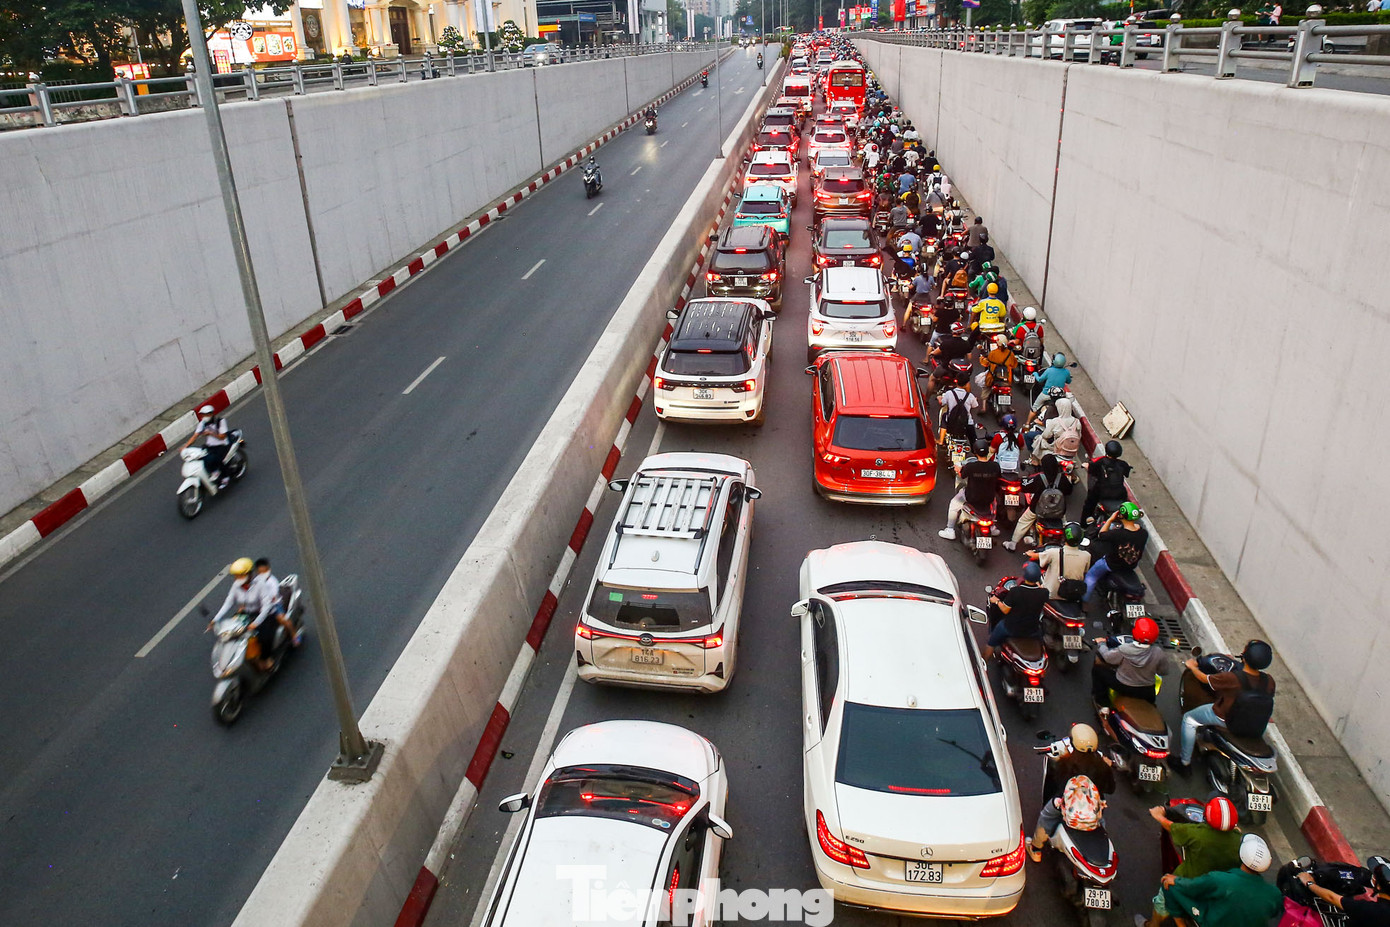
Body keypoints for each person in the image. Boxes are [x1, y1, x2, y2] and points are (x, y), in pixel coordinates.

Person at [1138, 796, 1243, 927]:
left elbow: (1172, 827)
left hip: (1190, 880)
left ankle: (1151, 925)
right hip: (1219, 887)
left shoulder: (1198, 834)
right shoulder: (1237, 838)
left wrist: (1158, 815)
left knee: (1163, 896)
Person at [1176, 639, 1277, 774]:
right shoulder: (1269, 680)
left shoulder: (1232, 678)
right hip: (1254, 724)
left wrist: (1192, 666)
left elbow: (1205, 679)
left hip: (1225, 719)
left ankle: (1184, 762)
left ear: (1244, 656)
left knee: (1189, 719)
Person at [1027, 723, 1115, 862]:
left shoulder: (1066, 763)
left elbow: (1056, 781)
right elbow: (1111, 789)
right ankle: (1100, 845)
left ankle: (1036, 849)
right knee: (1101, 821)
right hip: (1093, 808)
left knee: (1046, 817)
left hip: (1065, 803)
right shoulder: (1102, 766)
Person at [1159, 834, 1282, 927]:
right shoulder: (1274, 894)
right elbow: (1273, 912)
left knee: (1170, 886)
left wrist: (1176, 881)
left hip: (1213, 922)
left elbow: (1192, 887)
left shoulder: (1219, 879)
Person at [209, 557, 278, 672]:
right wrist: (215, 619)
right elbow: (228, 602)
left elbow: (266, 606)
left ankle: (267, 659)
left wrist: (256, 623)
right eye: (236, 576)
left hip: (264, 615)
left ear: (249, 574)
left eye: (241, 575)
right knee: (232, 632)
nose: (238, 578)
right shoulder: (236, 586)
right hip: (247, 614)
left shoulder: (260, 584)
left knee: (264, 637)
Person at [1091, 615, 1172, 704]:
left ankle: (1102, 703)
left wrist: (1102, 644)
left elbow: (1108, 657)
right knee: (1151, 701)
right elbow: (1163, 672)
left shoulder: (1124, 649)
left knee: (1098, 671)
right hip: (1147, 690)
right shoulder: (1158, 652)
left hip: (1123, 686)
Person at [1004, 453, 1074, 551]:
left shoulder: (1040, 478)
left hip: (1037, 509)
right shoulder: (1062, 478)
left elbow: (1025, 486)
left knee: (1023, 521)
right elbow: (1069, 490)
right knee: (1065, 524)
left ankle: (1013, 543)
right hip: (1059, 511)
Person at [1083, 502, 1150, 602]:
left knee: (1091, 576)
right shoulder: (1143, 533)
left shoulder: (1118, 534)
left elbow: (1101, 534)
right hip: (1130, 566)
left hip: (1111, 564)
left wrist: (1110, 519)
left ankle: (1084, 602)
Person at [984, 561, 1050, 659]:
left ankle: (983, 663)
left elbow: (1005, 610)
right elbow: (1040, 592)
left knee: (991, 642)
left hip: (1011, 628)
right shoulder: (1044, 593)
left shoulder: (1016, 591)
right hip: (1032, 630)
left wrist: (997, 601)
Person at [1296, 855, 1390, 924]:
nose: (1372, 877)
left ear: (1378, 886)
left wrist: (1309, 883)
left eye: (1375, 877)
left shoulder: (1371, 909)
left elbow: (1332, 898)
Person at [939, 439, 998, 541]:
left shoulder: (971, 466)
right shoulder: (995, 466)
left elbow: (962, 476)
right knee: (994, 504)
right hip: (989, 497)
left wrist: (958, 469)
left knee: (954, 504)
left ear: (975, 452)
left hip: (971, 497)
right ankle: (992, 527)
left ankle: (950, 530)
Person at [1028, 520, 1092, 596]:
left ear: (1064, 537)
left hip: (1051, 594)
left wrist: (1029, 553)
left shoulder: (1054, 552)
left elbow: (1034, 556)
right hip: (1074, 593)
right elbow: (1085, 571)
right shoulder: (1087, 556)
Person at [253, 557, 302, 648]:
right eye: (260, 572)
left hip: (275, 605)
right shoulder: (256, 581)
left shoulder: (273, 582)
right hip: (261, 606)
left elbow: (273, 596)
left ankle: (294, 635)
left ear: (269, 570)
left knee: (282, 619)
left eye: (265, 571)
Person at [1082, 440, 1133, 524]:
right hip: (1119, 494)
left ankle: (1083, 524)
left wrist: (1085, 465)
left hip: (1102, 493)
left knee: (1089, 505)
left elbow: (1091, 469)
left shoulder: (1100, 462)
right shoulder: (1122, 464)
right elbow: (1126, 474)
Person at [184, 404, 233, 488]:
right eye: (203, 415)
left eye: (206, 414)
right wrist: (185, 446)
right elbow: (195, 436)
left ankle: (225, 477)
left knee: (216, 459)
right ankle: (210, 472)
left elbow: (222, 437)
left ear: (211, 414)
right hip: (210, 446)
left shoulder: (220, 421)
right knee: (201, 457)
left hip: (222, 445)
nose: (204, 417)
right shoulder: (202, 424)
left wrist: (211, 433)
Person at [1029, 396, 1083, 465]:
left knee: (1039, 439)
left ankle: (1035, 460)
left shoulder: (1056, 421)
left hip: (1056, 448)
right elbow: (1079, 435)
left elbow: (1045, 435)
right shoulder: (1077, 421)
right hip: (1072, 449)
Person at [925, 322, 974, 393]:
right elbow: (969, 356)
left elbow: (936, 352)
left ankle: (926, 399)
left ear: (952, 331)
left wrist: (931, 353)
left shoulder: (946, 343)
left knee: (932, 378)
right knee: (966, 382)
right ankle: (968, 398)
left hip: (945, 367)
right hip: (959, 371)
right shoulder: (966, 343)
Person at [1026, 353, 1074, 419]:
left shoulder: (1049, 370)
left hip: (1046, 394)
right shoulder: (1066, 372)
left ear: (1054, 361)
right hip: (1058, 396)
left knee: (1034, 407)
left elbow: (1040, 380)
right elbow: (1069, 381)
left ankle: (1027, 424)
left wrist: (1035, 373)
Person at [978, 335, 1017, 412]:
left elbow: (986, 363)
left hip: (993, 378)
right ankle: (1009, 406)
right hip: (1007, 378)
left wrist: (982, 358)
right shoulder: (1010, 354)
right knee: (1009, 391)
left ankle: (984, 407)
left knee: (986, 388)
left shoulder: (993, 353)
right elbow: (1014, 364)